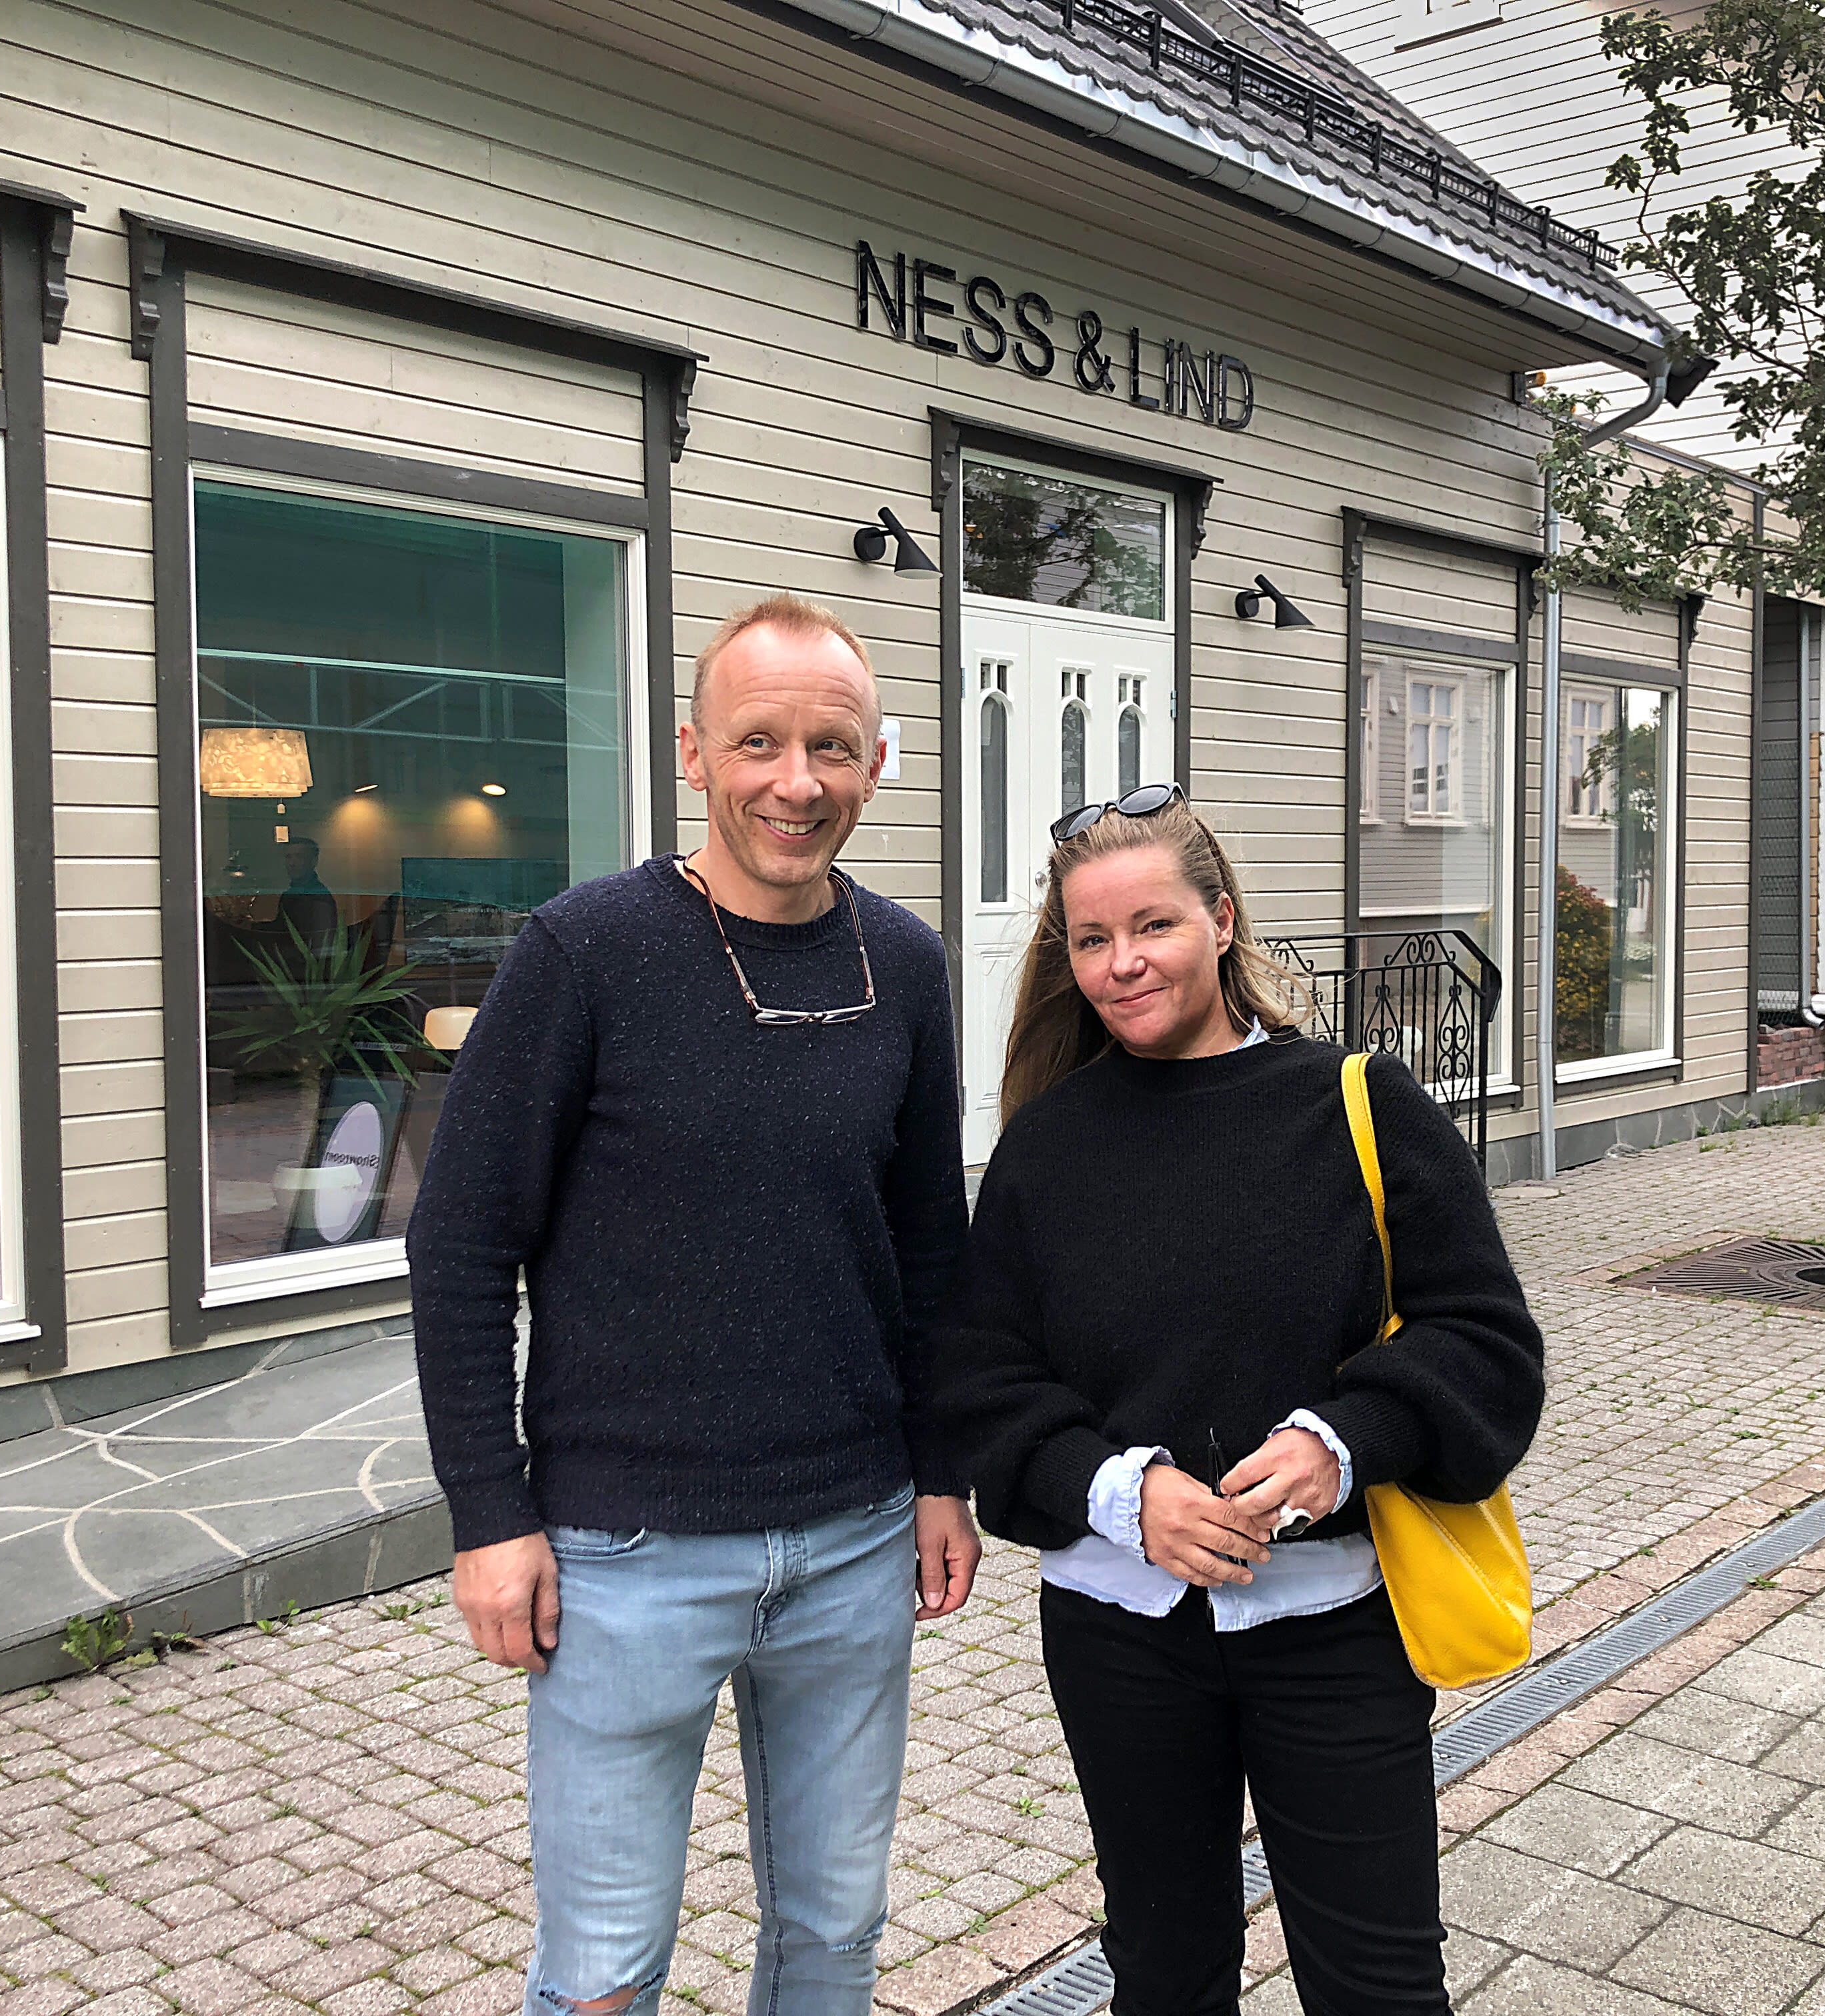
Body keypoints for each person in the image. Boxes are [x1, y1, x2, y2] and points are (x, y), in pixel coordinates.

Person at [406, 593, 980, 2016]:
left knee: (835, 1937)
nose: (798, 782)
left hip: (855, 1541)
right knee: (603, 1974)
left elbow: (929, 1243)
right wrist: (489, 1515)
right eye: (759, 742)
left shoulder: (905, 965)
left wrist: (942, 1474)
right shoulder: (585, 951)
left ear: (876, 761)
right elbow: (462, 1245)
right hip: (626, 1552)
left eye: (833, 747)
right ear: (692, 752)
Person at [932, 787, 1544, 2016]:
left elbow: (1486, 1345)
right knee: (1164, 1979)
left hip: (1336, 1630)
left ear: (1220, 921)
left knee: (1379, 1988)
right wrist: (1119, 1493)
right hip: (1118, 1638)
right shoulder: (1047, 1147)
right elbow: (983, 1382)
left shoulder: (1359, 1105)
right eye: (1092, 939)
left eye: (1152, 925)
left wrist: (1343, 1444)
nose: (1122, 963)